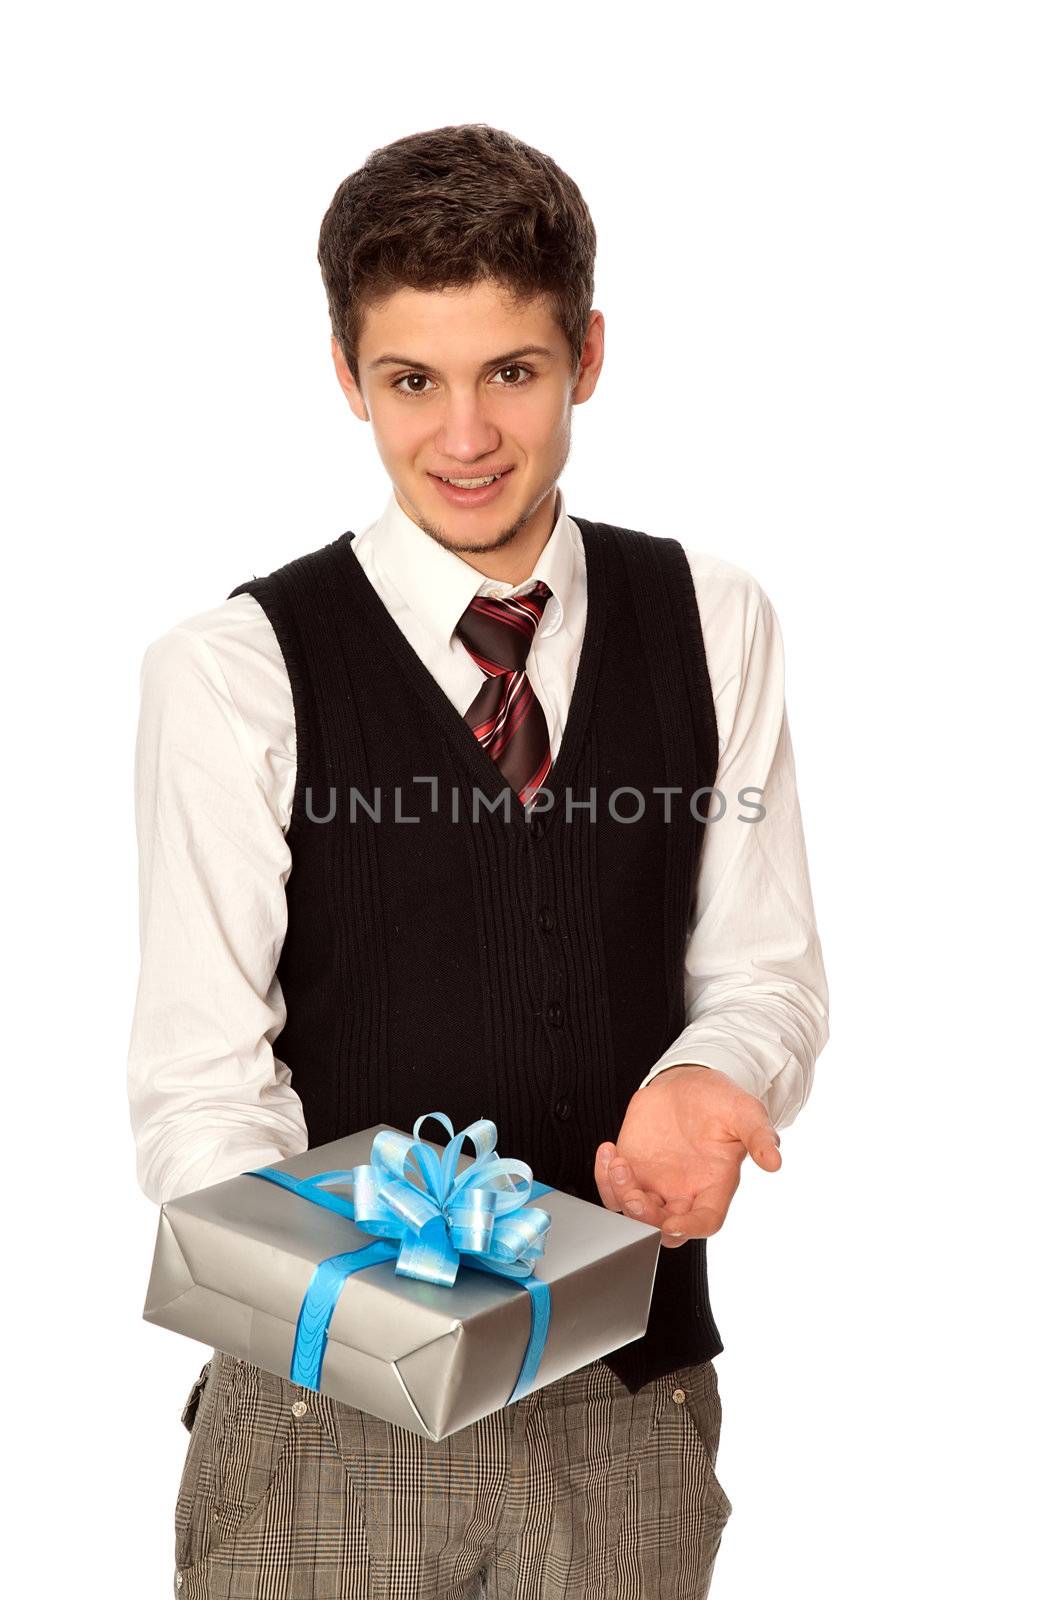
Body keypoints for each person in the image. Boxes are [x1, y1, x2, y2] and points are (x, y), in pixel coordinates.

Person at [128, 122, 829, 1600]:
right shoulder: (236, 669)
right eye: (411, 382)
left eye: (510, 371)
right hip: (332, 1427)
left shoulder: (714, 616)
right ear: (347, 376)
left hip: (628, 1417)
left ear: (585, 351)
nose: (463, 438)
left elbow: (761, 971)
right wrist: (380, 1309)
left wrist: (717, 1074)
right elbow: (200, 1092)